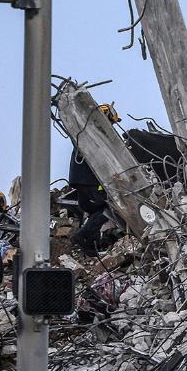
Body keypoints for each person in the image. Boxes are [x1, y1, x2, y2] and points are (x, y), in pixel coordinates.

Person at [68, 104, 121, 257]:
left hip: (82, 180)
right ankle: (83, 236)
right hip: (89, 181)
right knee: (109, 206)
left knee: (95, 210)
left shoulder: (86, 132)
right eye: (111, 122)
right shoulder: (95, 135)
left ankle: (90, 244)